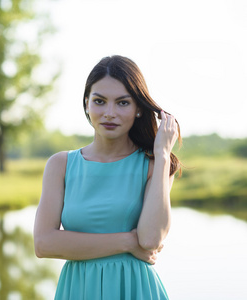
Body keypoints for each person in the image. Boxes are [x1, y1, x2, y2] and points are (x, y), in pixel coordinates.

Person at [33, 55, 181, 299]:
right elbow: (44, 244)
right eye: (100, 101)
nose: (109, 113)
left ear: (138, 110)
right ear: (87, 104)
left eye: (122, 103)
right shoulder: (60, 165)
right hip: (78, 289)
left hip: (136, 290)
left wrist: (163, 154)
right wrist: (128, 242)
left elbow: (150, 239)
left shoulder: (154, 166)